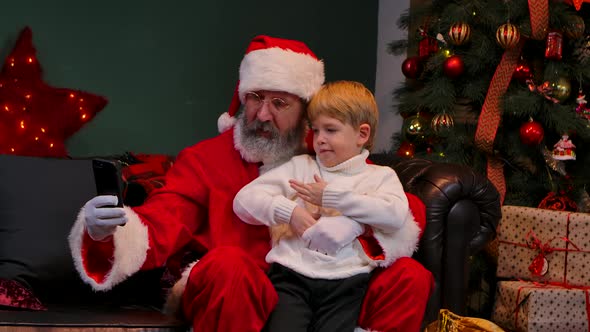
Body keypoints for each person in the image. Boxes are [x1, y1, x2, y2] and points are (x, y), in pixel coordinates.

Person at [68, 35, 433, 332]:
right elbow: (165, 218)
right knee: (227, 264)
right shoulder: (207, 159)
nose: (261, 114)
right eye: (255, 98)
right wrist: (108, 232)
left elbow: (400, 204)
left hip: (332, 286)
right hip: (242, 292)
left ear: (306, 111)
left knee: (411, 276)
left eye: (279, 102)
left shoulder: (324, 152)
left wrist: (355, 221)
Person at [233, 80, 421, 332]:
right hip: (291, 278)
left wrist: (333, 197)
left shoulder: (380, 177)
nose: (319, 139)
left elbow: (395, 215)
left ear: (362, 135)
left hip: (347, 283)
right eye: (316, 130)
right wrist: (291, 213)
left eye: (330, 130)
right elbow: (244, 200)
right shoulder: (302, 166)